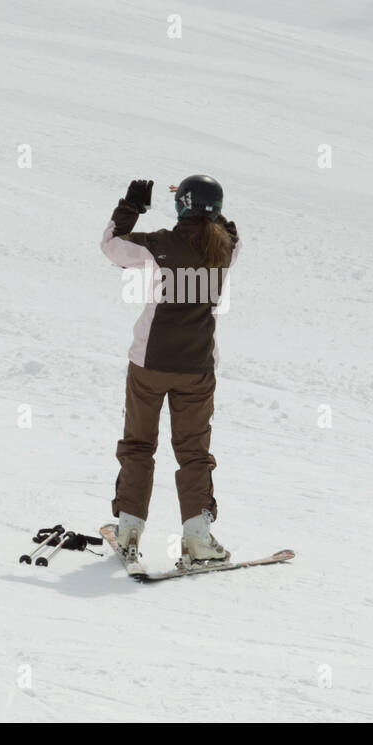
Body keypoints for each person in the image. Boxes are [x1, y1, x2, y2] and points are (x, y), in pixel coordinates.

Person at [100, 174, 241, 567]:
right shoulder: (226, 248)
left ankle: (128, 530)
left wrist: (132, 205)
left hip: (150, 362)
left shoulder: (158, 244)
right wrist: (202, 204)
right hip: (196, 368)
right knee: (194, 452)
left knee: (139, 444)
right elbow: (227, 228)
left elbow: (111, 247)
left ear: (182, 206)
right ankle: (197, 538)